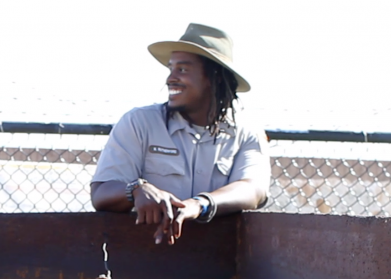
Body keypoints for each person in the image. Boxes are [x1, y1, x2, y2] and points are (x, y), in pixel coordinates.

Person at [90, 23, 270, 244]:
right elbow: (101, 193)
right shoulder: (140, 122)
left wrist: (199, 205)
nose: (170, 78)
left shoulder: (246, 132)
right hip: (141, 258)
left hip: (219, 260)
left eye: (182, 69)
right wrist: (136, 189)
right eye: (171, 69)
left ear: (216, 77)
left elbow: (253, 190)